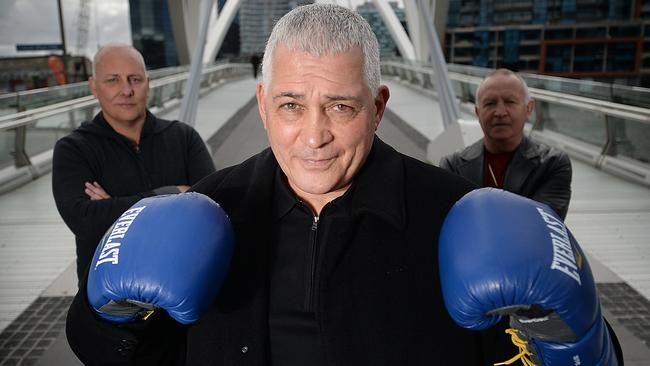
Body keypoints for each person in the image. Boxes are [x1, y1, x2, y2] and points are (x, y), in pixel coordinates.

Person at [65, 5, 620, 365]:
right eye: (290, 105)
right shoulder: (215, 207)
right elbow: (119, 355)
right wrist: (109, 314)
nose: (314, 136)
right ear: (262, 105)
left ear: (378, 108)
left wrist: (576, 340)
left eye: (340, 105)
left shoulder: (452, 214)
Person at [52, 43, 215, 281]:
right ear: (94, 87)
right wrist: (172, 194)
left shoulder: (183, 138)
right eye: (113, 80)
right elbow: (85, 220)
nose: (126, 90)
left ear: (148, 83)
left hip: (184, 284)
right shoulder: (74, 149)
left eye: (135, 79)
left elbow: (210, 211)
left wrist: (115, 209)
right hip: (110, 300)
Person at [439, 68, 572, 220]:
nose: (500, 112)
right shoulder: (452, 166)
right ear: (477, 112)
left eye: (510, 102)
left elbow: (542, 225)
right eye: (490, 103)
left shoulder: (552, 164)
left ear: (528, 109)